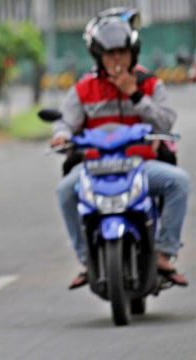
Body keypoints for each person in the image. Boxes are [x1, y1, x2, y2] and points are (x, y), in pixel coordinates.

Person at [50, 8, 191, 290]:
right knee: (66, 190)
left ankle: (164, 252)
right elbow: (65, 122)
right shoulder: (83, 88)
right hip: (95, 167)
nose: (116, 59)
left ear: (133, 52)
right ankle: (86, 261)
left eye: (121, 52)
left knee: (179, 182)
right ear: (98, 56)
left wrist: (135, 94)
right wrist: (61, 135)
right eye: (109, 53)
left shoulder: (150, 83)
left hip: (141, 166)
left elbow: (166, 120)